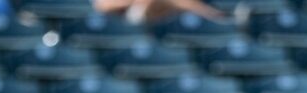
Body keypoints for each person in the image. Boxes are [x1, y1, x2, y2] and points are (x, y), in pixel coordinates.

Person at [93, 0, 223, 23]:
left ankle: (213, 16)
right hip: (127, 19)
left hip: (158, 15)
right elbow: (102, 6)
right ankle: (214, 15)